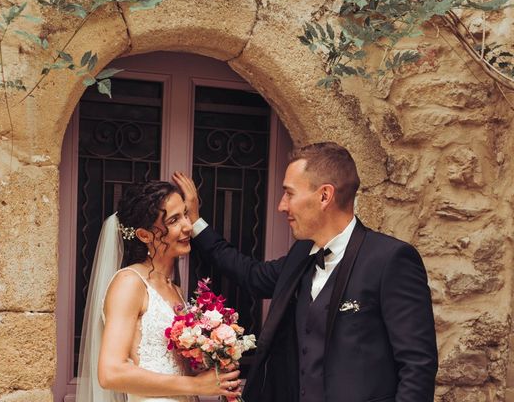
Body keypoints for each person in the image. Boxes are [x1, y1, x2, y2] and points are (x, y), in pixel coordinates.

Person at [173, 142, 438, 402]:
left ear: (324, 196)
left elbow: (418, 366)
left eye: (289, 193)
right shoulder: (301, 256)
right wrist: (196, 223)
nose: (281, 206)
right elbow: (250, 275)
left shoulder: (390, 259)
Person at [75, 180, 242, 402]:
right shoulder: (129, 283)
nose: (187, 226)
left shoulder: (177, 290)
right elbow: (110, 372)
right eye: (173, 220)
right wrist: (196, 384)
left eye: (185, 214)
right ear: (144, 235)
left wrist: (212, 366)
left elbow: (172, 369)